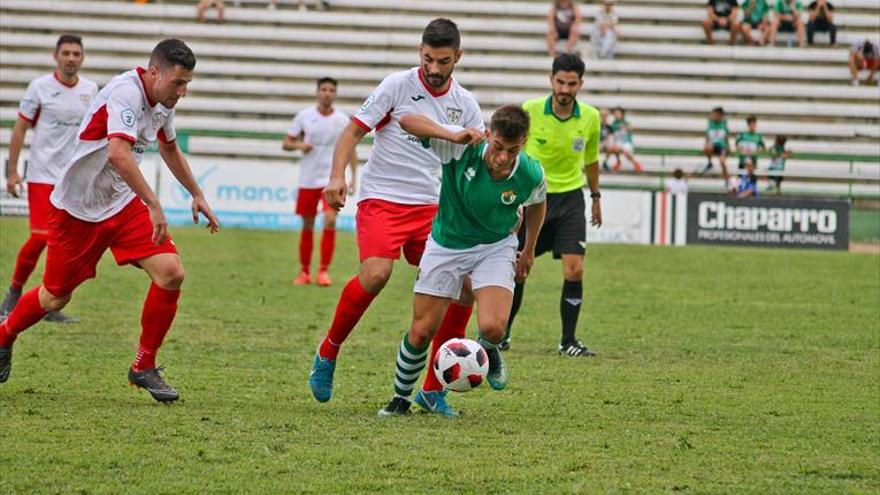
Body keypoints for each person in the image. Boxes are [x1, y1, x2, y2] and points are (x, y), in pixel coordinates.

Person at [0, 39, 220, 402]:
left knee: (171, 272)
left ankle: (143, 365)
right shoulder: (124, 92)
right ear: (154, 72)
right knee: (55, 298)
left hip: (120, 203)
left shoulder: (165, 103)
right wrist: (154, 203)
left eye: (187, 84)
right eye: (178, 83)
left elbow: (168, 146)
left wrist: (197, 193)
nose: (182, 91)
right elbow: (119, 153)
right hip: (77, 210)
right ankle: (5, 335)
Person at [308, 19, 485, 404]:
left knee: (465, 289)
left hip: (433, 208)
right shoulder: (396, 85)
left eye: (442, 61)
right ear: (419, 52)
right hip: (383, 199)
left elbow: (477, 163)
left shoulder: (466, 104)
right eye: (427, 59)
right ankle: (329, 350)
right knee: (376, 274)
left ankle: (434, 389)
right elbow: (351, 133)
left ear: (458, 57)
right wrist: (336, 176)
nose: (433, 69)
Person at [377, 106, 547, 417]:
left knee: (494, 327)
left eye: (513, 150)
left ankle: (489, 350)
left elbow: (537, 204)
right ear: (488, 135)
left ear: (523, 143)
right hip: (447, 245)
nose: (503, 157)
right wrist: (451, 133)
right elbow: (407, 122)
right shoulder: (460, 147)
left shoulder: (531, 172)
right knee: (422, 330)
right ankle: (400, 398)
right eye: (497, 147)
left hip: (495, 246)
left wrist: (529, 249)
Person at [503, 53, 602, 357]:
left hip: (571, 199)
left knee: (575, 270)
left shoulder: (591, 117)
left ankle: (568, 340)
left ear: (580, 84)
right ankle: (502, 333)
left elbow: (591, 159)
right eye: (560, 82)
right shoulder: (530, 111)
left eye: (572, 84)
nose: (565, 89)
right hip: (534, 199)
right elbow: (512, 152)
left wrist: (596, 197)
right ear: (551, 80)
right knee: (519, 267)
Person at [1, 35, 98, 324]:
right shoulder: (39, 87)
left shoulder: (91, 90)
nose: (71, 58)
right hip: (43, 174)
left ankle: (51, 302)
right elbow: (20, 129)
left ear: (82, 58)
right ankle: (14, 294)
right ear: (55, 56)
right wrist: (13, 171)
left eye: (76, 53)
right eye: (66, 53)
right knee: (42, 236)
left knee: (65, 242)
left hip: (73, 178)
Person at [283, 77, 356, 287]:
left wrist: (352, 179)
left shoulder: (342, 120)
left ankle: (323, 271)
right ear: (317, 92)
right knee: (307, 223)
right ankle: (304, 271)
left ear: (335, 94)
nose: (327, 93)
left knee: (330, 220)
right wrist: (299, 146)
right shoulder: (304, 116)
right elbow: (286, 143)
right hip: (308, 179)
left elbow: (351, 149)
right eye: (323, 89)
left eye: (331, 90)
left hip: (331, 179)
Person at [607, 107, 643, 172]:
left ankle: (635, 163)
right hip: (618, 144)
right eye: (615, 114)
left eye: (618, 114)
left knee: (623, 149)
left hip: (626, 143)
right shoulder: (613, 124)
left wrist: (626, 127)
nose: (616, 115)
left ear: (622, 114)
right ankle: (618, 162)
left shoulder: (626, 123)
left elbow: (632, 128)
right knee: (613, 148)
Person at [700, 107, 730, 181]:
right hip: (713, 146)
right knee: (708, 147)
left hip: (722, 146)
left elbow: (726, 136)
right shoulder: (710, 123)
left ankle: (727, 180)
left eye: (714, 114)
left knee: (722, 161)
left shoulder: (724, 123)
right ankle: (710, 163)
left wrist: (728, 146)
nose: (713, 116)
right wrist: (705, 144)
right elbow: (707, 135)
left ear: (720, 115)